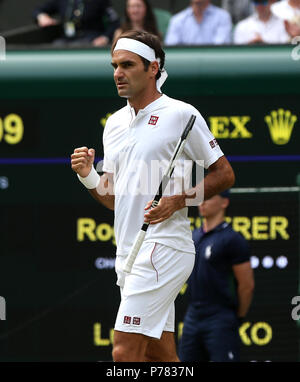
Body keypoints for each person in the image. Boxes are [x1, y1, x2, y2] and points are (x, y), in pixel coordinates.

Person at [71, 30, 235, 362]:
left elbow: (224, 174)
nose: (118, 73)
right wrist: (88, 174)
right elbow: (115, 199)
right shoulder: (114, 123)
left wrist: (179, 199)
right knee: (159, 356)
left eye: (128, 65)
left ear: (153, 68)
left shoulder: (180, 114)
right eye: (115, 65)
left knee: (124, 353)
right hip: (128, 254)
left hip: (164, 249)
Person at [178, 191, 254, 362]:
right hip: (193, 315)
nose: (202, 202)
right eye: (200, 198)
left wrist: (237, 316)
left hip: (220, 316)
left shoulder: (233, 239)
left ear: (224, 202)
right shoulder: (193, 236)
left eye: (209, 197)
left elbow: (247, 285)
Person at [33, 0, 120, 47]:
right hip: (66, 39)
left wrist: (105, 37)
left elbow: (114, 22)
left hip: (90, 39)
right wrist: (41, 16)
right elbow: (38, 10)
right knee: (55, 47)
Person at [164, 0, 232, 46]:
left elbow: (220, 49)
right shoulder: (177, 20)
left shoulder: (223, 17)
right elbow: (172, 49)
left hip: (214, 65)